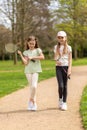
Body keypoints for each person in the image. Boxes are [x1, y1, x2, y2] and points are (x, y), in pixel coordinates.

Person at [18, 36, 44, 111]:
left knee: (34, 86)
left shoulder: (38, 50)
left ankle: (31, 100)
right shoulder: (26, 52)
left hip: (36, 70)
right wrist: (21, 55)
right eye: (30, 44)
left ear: (35, 43)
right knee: (31, 87)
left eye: (33, 43)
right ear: (28, 43)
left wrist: (32, 57)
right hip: (28, 71)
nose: (31, 45)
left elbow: (42, 57)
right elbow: (25, 63)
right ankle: (33, 104)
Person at [54, 31, 72, 111]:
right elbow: (55, 57)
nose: (61, 39)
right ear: (57, 38)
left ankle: (64, 103)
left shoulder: (69, 47)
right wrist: (56, 60)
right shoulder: (56, 47)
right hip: (58, 67)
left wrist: (70, 70)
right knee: (60, 86)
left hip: (66, 67)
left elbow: (70, 59)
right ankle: (60, 99)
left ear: (65, 38)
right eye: (59, 37)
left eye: (62, 37)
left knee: (65, 86)